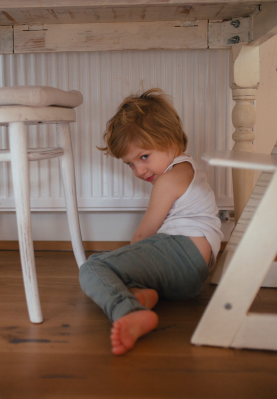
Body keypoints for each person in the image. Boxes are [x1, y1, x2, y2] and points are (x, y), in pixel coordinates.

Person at [79, 88, 223, 355]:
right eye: (130, 164)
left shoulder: (168, 181)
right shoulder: (187, 168)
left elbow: (144, 235)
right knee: (129, 273)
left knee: (93, 266)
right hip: (195, 271)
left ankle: (127, 311)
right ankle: (144, 297)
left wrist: (120, 259)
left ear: (171, 140)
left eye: (144, 157)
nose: (139, 171)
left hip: (182, 250)